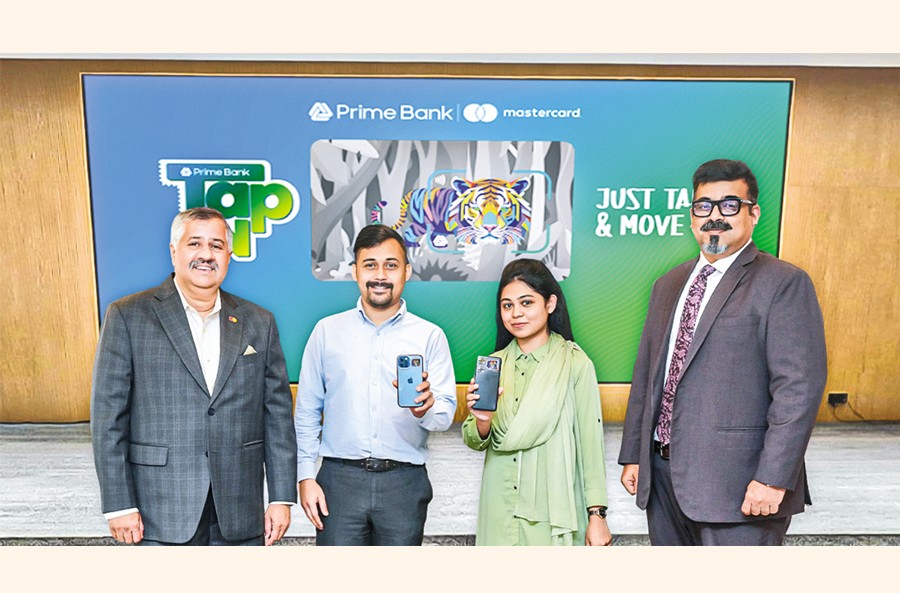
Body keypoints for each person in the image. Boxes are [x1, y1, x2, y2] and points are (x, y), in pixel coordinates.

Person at [618, 159, 827, 545]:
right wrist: (634, 453)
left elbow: (798, 389)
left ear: (753, 214)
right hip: (662, 479)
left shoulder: (783, 283)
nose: (715, 216)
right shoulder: (668, 284)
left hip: (740, 488)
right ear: (692, 216)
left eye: (730, 205)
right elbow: (648, 373)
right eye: (703, 206)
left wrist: (772, 478)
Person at [91, 207, 297, 546]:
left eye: (216, 246)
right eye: (194, 243)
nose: (206, 254)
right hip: (159, 511)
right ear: (174, 251)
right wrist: (119, 504)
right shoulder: (128, 316)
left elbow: (276, 417)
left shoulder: (259, 321)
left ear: (229, 255)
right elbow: (108, 418)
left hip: (240, 509)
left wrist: (280, 497)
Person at [294, 224, 456, 545]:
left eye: (390, 265)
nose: (380, 275)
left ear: (406, 271)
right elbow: (307, 411)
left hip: (404, 483)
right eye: (370, 265)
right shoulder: (326, 331)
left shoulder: (429, 336)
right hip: (338, 482)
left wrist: (425, 409)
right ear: (355, 271)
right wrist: (305, 476)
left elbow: (444, 417)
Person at [462, 258, 611, 546]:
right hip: (499, 508)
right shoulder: (493, 365)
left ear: (550, 304)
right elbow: (474, 440)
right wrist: (482, 421)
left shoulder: (574, 364)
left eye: (527, 303)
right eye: (507, 305)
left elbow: (590, 445)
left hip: (551, 511)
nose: (516, 314)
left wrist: (597, 515)